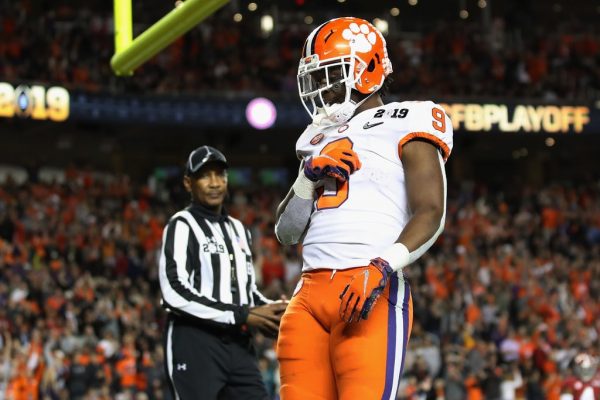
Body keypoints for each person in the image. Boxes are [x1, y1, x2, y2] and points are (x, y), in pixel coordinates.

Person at [274, 17, 454, 399]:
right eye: (318, 79)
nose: (324, 88)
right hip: (307, 295)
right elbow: (287, 233)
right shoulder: (315, 136)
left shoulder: (410, 117)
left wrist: (383, 265)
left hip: (368, 286)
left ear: (369, 69)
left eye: (333, 75)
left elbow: (431, 211)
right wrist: (306, 180)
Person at [159, 145, 287, 400]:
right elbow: (174, 292)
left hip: (238, 344)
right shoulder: (181, 225)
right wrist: (243, 315)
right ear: (188, 183)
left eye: (220, 175)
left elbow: (245, 290)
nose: (215, 183)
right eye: (205, 175)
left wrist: (273, 310)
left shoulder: (238, 229)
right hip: (196, 342)